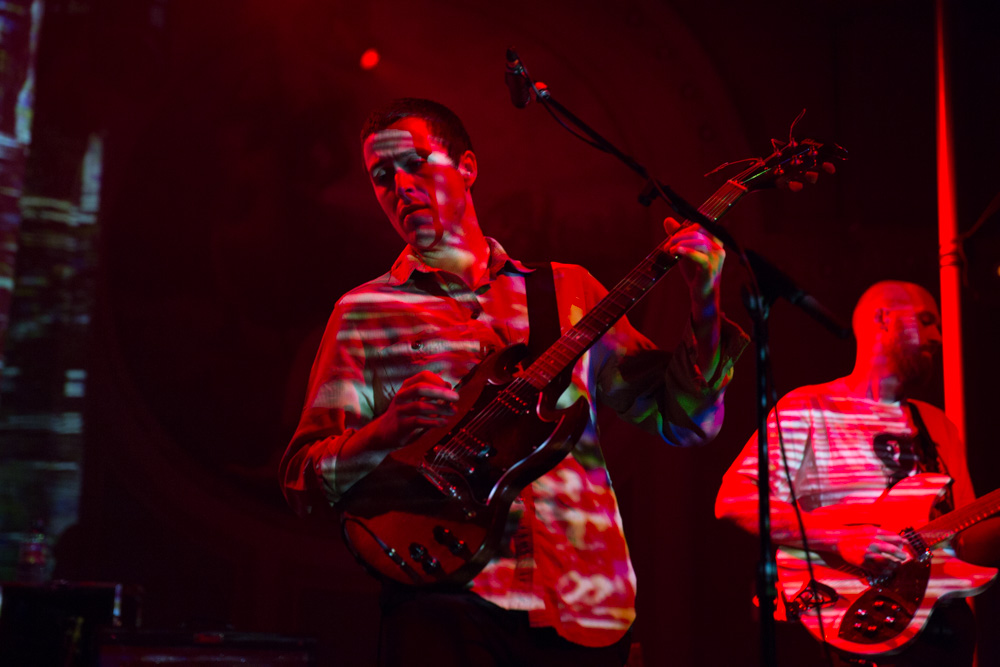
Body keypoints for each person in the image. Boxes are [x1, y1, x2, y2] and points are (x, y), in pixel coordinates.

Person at [279, 97, 748, 666]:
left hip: (582, 603)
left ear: (467, 167)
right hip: (446, 598)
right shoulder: (365, 313)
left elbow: (687, 423)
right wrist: (384, 432)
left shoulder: (568, 292)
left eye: (415, 163)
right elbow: (302, 479)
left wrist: (703, 298)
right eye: (381, 177)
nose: (399, 186)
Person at [715, 280, 1000, 667]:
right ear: (882, 319)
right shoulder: (809, 407)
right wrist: (839, 540)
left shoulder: (938, 425)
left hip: (940, 629)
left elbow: (964, 542)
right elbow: (734, 499)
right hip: (846, 618)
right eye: (927, 321)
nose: (939, 337)